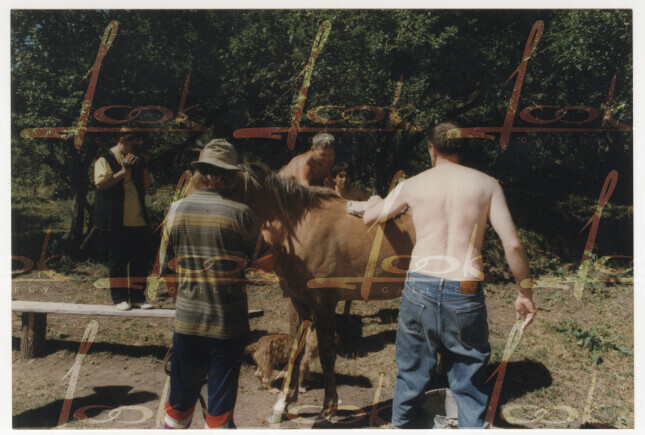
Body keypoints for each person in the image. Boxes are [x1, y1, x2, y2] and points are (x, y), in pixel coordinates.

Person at [363, 122, 536, 428]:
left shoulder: (413, 184)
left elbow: (370, 217)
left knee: (411, 374)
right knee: (469, 379)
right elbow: (513, 244)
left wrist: (376, 201)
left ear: (431, 149)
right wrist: (525, 293)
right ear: (460, 147)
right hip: (464, 288)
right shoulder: (487, 184)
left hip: (419, 286)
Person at [161, 139, 261, 429]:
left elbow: (167, 268)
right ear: (229, 176)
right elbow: (262, 262)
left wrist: (181, 303)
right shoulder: (242, 214)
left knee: (179, 401)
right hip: (227, 325)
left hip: (188, 322)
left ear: (200, 174)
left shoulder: (175, 210)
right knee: (220, 402)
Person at [94, 130, 153, 311]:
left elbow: (146, 186)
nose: (136, 148)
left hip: (138, 218)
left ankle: (137, 297)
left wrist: (142, 167)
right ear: (123, 140)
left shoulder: (135, 159)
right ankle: (119, 298)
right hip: (115, 219)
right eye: (134, 144)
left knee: (140, 261)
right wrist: (124, 170)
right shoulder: (105, 159)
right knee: (117, 260)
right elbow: (101, 184)